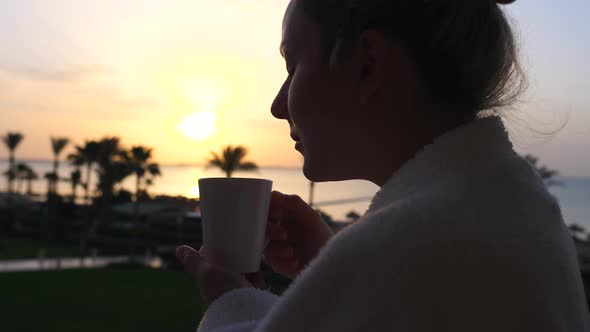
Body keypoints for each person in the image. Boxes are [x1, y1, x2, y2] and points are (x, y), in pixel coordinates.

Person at [175, 0, 590, 331]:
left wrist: (233, 300)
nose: (278, 106)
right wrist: (334, 269)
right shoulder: (510, 205)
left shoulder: (422, 237)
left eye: (293, 67)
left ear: (367, 65)